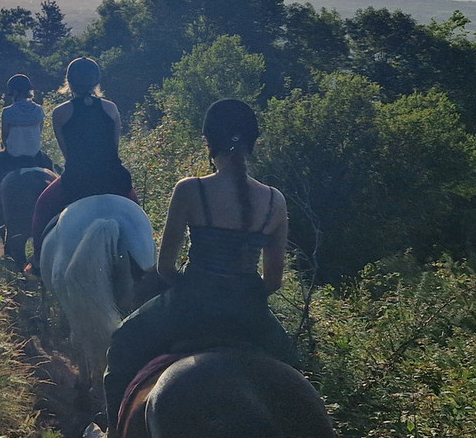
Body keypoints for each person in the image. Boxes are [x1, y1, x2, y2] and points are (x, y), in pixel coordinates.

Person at [102, 99, 297, 430]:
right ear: (252, 143)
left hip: (191, 304)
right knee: (297, 372)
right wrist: (242, 293)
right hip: (248, 313)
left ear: (208, 142)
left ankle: (112, 431)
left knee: (122, 345)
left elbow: (165, 267)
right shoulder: (274, 200)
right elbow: (274, 280)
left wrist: (195, 285)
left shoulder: (190, 189)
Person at [26, 57, 138, 274]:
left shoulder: (60, 112)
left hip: (77, 181)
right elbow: (114, 146)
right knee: (137, 213)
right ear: (96, 81)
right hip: (114, 178)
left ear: (69, 81)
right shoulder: (111, 108)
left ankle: (38, 262)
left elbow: (67, 153)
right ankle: (147, 263)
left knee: (42, 206)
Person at [0, 74, 53, 210]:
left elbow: (5, 136)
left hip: (12, 156)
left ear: (15, 92)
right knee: (51, 169)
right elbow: (39, 131)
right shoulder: (38, 110)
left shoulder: (8, 112)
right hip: (34, 156)